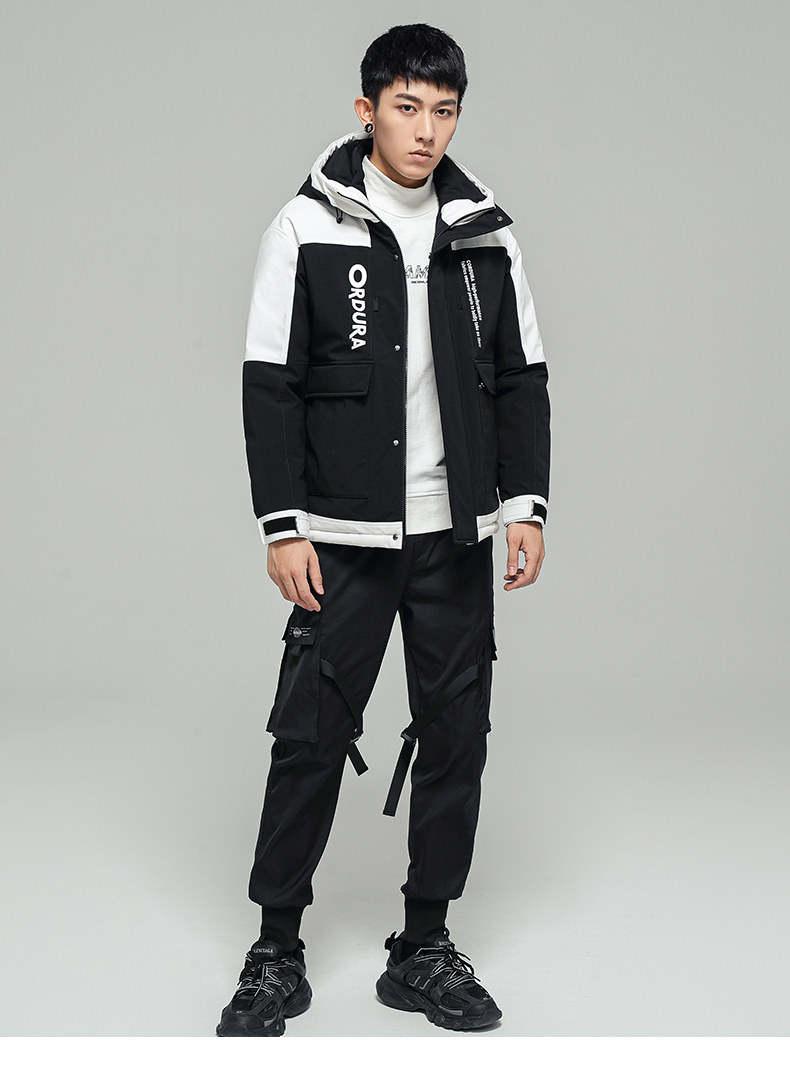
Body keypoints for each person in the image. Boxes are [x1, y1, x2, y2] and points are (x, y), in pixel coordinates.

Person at [216, 22, 551, 1037]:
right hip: (340, 535)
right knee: (309, 737)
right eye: (406, 108)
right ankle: (276, 949)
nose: (426, 130)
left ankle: (425, 946)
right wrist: (282, 524)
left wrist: (524, 503)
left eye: (444, 111)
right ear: (366, 111)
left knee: (457, 739)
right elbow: (269, 383)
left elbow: (523, 376)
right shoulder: (304, 226)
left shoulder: (485, 234)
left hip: (456, 535)